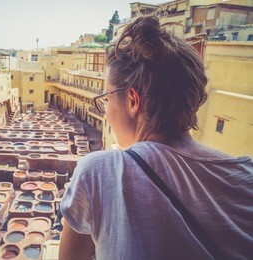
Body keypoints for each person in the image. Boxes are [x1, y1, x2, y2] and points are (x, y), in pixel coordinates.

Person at [59, 15, 253, 260]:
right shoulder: (246, 177)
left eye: (106, 99)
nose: (106, 113)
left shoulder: (97, 173)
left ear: (132, 101)